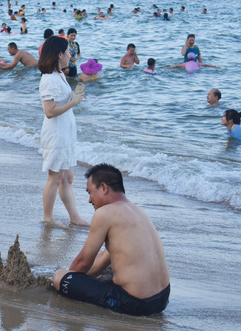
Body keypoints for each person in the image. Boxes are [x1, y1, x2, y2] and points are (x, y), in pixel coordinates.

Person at [53, 164, 170, 316]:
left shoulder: (104, 214)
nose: (89, 200)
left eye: (90, 193)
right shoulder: (139, 212)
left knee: (59, 276)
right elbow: (104, 257)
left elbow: (83, 262)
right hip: (161, 300)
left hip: (134, 303)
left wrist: (68, 278)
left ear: (103, 188)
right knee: (107, 265)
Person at [38, 36, 89, 226]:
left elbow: (60, 104)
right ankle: (47, 217)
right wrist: (73, 102)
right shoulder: (49, 79)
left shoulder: (59, 74)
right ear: (59, 54)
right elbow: (49, 111)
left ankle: (74, 217)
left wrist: (72, 98)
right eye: (68, 51)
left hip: (65, 133)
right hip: (56, 134)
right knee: (55, 177)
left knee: (68, 177)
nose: (70, 54)